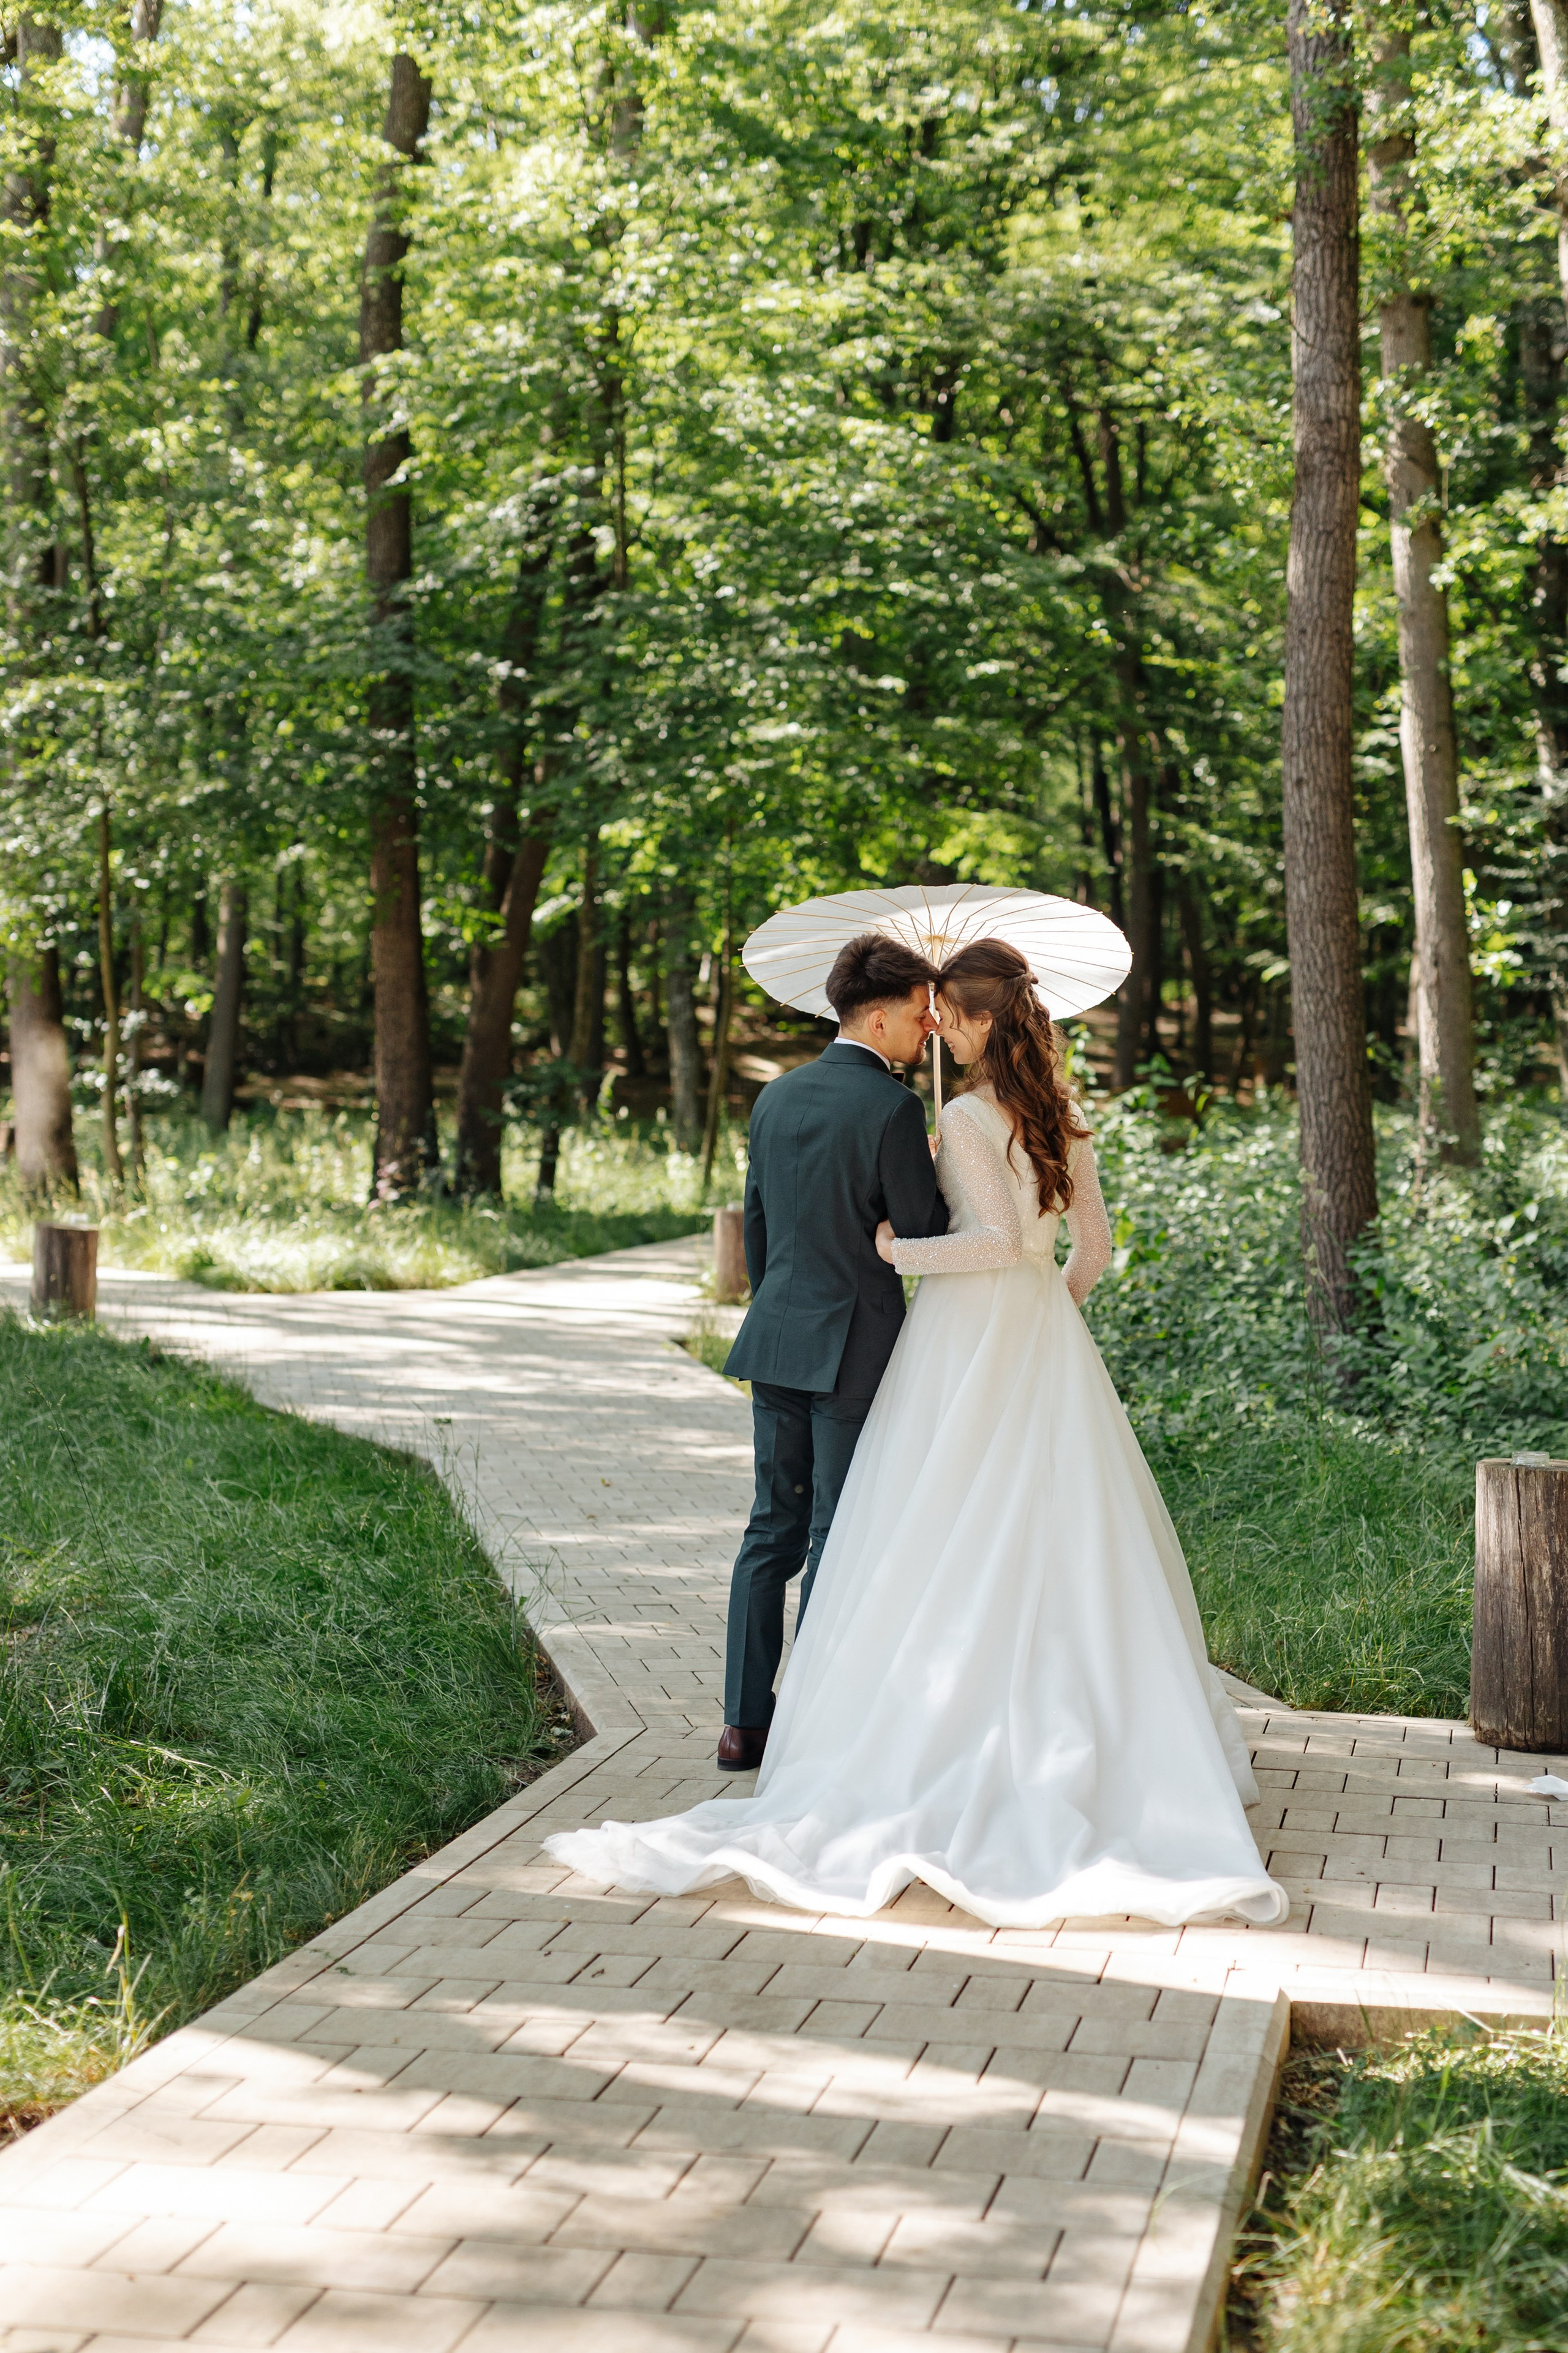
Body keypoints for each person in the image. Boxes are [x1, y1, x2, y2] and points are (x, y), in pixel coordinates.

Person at [546, 938, 1286, 1929]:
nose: (933, 1027)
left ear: (978, 1021)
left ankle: (780, 1725)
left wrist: (902, 1247)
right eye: (922, 1011)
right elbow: (1090, 1251)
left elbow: (958, 1239)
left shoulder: (903, 1109)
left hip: (876, 1337)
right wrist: (1047, 1316)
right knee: (1026, 1539)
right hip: (1015, 1343)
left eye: (948, 1014)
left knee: (851, 1528)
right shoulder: (1056, 1117)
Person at [711, 931, 949, 1772]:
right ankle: (811, 1720)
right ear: (878, 1018)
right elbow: (920, 1234)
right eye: (919, 1014)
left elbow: (760, 1226)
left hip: (776, 1337)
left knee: (768, 1529)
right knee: (835, 1533)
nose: (928, 1027)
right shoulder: (894, 1110)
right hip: (854, 1347)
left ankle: (742, 1724)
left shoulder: (773, 1098)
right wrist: (930, 1170)